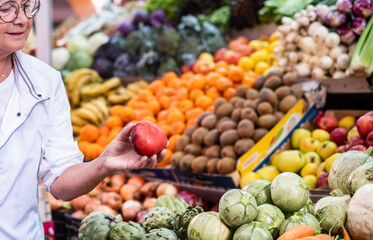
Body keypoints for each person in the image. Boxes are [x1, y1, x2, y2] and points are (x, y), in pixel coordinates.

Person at [0, 0, 166, 239]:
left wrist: (104, 163)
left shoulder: (45, 82)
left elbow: (60, 181)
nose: (22, 19)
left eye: (27, 6)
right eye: (6, 8)